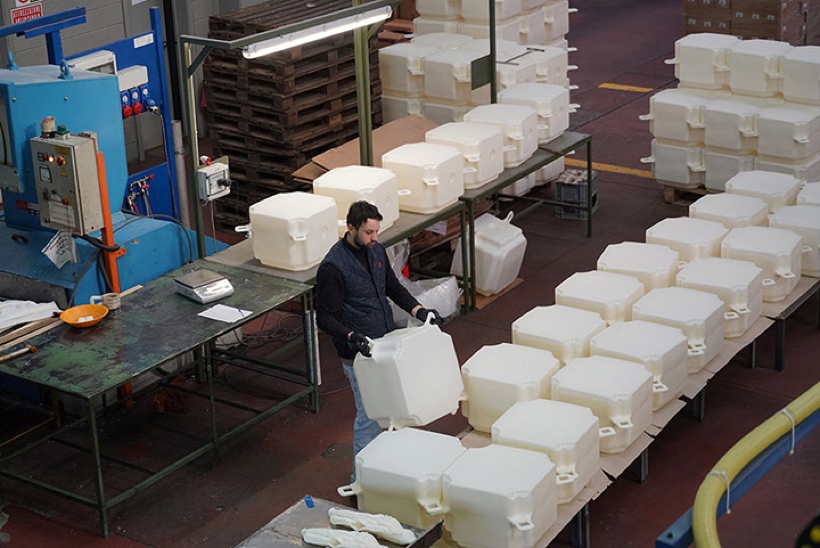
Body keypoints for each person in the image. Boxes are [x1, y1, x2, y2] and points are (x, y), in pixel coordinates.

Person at [316, 201, 443, 461]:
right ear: (351, 228)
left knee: (396, 405)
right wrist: (352, 337)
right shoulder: (333, 268)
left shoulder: (377, 251)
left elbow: (393, 288)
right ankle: (361, 477)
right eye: (368, 233)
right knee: (370, 414)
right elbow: (325, 318)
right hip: (359, 355)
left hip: (385, 343)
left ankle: (388, 465)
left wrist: (420, 311)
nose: (374, 237)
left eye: (376, 232)